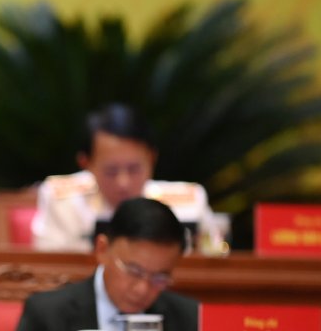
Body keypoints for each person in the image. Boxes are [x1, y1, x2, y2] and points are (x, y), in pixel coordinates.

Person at [7, 197, 199, 331]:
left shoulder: (190, 320)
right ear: (102, 249)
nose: (142, 288)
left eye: (159, 277)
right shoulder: (47, 314)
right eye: (134, 271)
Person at [31, 103, 220, 252]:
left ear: (152, 158)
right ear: (85, 163)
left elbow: (214, 263)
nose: (123, 183)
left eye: (134, 169)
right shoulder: (62, 202)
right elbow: (51, 268)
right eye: (111, 171)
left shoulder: (189, 204)